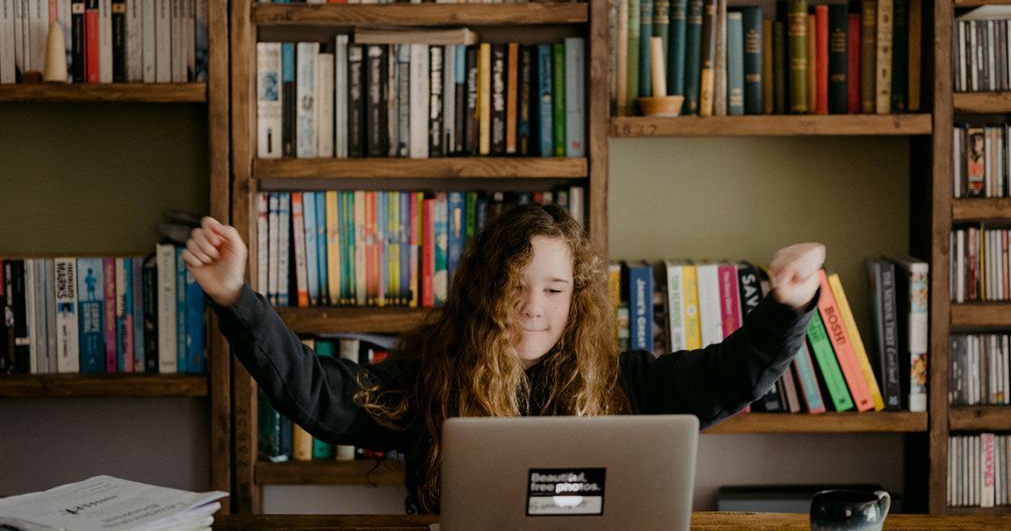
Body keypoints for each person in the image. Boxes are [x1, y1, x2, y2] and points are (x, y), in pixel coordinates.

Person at [185, 203, 825, 514]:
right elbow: (319, 394)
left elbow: (724, 379)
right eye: (514, 286)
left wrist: (788, 307)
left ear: (576, 301)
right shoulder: (431, 379)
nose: (532, 307)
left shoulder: (624, 382)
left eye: (553, 290)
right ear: (484, 291)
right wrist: (236, 298)